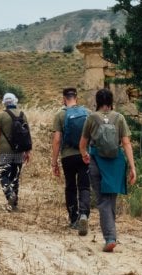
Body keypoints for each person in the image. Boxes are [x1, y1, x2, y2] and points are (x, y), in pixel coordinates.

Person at [79, 88, 137, 252]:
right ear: (111, 102)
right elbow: (126, 143)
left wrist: (85, 155)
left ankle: (110, 237)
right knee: (110, 199)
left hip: (96, 160)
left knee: (103, 200)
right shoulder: (119, 118)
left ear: (97, 102)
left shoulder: (92, 118)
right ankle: (111, 235)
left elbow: (82, 144)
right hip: (115, 163)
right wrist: (132, 167)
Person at [51, 87, 91, 236]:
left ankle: (74, 219)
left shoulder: (60, 115)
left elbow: (56, 140)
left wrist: (54, 162)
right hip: (84, 155)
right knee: (85, 186)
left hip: (67, 156)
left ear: (64, 99)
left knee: (70, 187)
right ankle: (84, 215)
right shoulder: (87, 113)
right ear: (76, 98)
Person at [0, 93, 31, 211]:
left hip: (5, 151)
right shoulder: (22, 114)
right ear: (15, 102)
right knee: (15, 176)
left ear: (4, 103)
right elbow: (27, 134)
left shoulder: (1, 115)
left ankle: (9, 195)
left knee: (3, 175)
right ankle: (14, 205)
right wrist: (27, 151)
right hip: (19, 151)